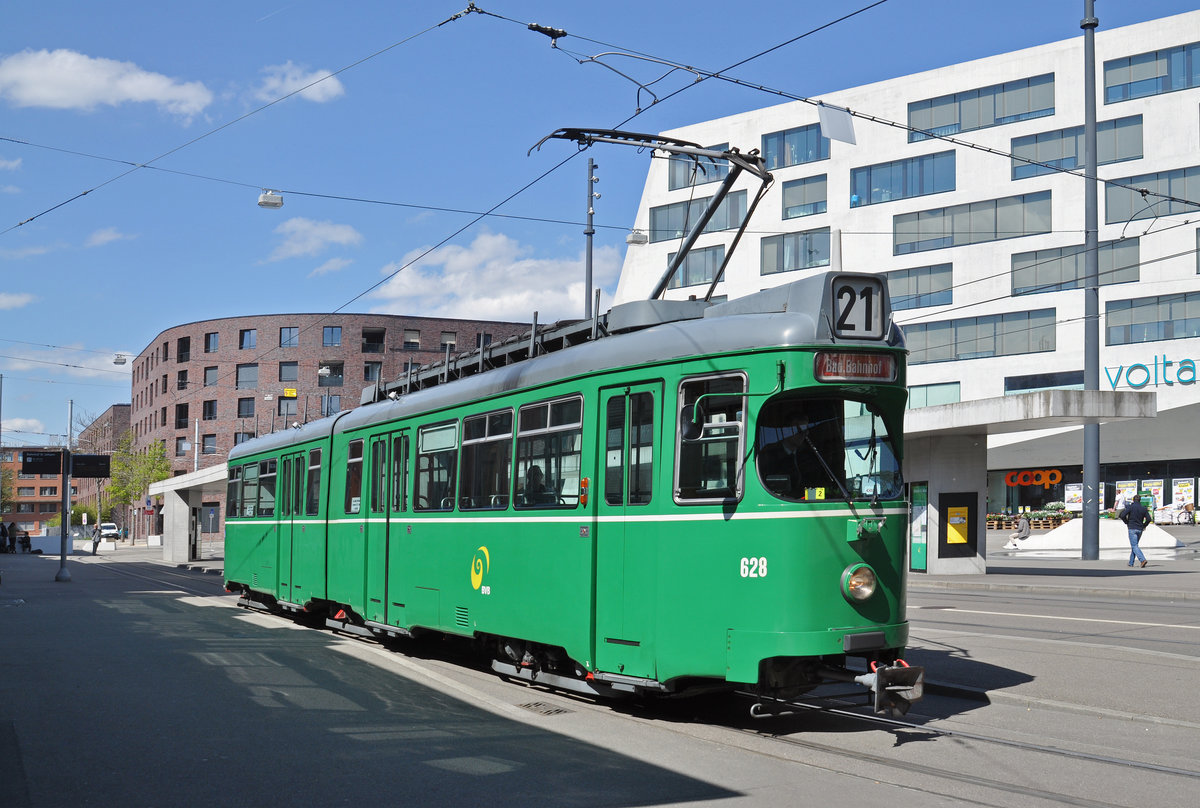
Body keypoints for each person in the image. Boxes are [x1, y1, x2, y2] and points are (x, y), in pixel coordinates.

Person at [1119, 494, 1152, 568]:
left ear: (1133, 500)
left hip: (1132, 528)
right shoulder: (1143, 508)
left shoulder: (1130, 507)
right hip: (1140, 529)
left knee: (1134, 545)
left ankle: (1142, 560)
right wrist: (1144, 525)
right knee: (1135, 546)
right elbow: (1149, 519)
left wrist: (1126, 522)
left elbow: (1122, 515)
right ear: (1140, 500)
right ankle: (1131, 563)